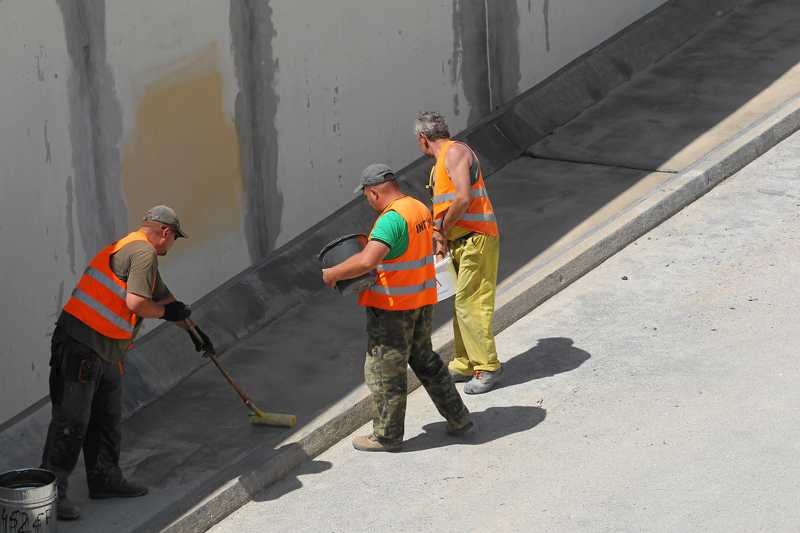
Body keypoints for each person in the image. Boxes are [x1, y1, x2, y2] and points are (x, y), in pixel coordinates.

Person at [41, 205, 193, 521]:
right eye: (174, 239)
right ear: (165, 232)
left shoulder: (131, 248)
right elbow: (137, 303)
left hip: (105, 351)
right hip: (83, 346)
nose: (171, 246)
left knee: (107, 417)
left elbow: (164, 298)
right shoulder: (143, 253)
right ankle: (52, 494)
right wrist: (168, 314)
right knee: (73, 420)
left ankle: (104, 478)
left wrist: (193, 331)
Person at [322, 164, 473, 452]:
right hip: (421, 300)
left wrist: (333, 274)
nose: (368, 201)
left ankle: (387, 436)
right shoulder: (417, 207)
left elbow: (367, 261)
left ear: (374, 192)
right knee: (426, 360)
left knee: (383, 370)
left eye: (366, 196)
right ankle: (459, 418)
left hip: (393, 309)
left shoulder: (390, 221)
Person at [415, 111, 502, 394]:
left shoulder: (453, 153)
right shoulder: (443, 161)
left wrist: (440, 227)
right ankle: (465, 362)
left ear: (423, 139)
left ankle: (486, 366)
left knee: (471, 302)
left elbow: (463, 198)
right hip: (462, 240)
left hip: (476, 239)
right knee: (461, 303)